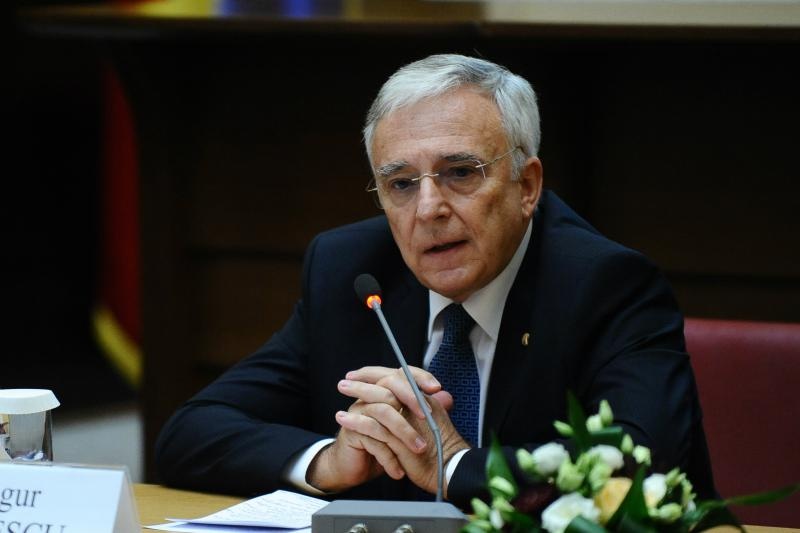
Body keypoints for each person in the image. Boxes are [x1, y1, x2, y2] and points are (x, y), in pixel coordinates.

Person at [155, 54, 715, 508]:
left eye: (461, 173)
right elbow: (191, 434)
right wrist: (329, 461)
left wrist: (453, 464)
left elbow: (638, 464)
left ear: (526, 186)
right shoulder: (350, 271)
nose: (428, 209)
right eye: (401, 183)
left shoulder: (604, 286)